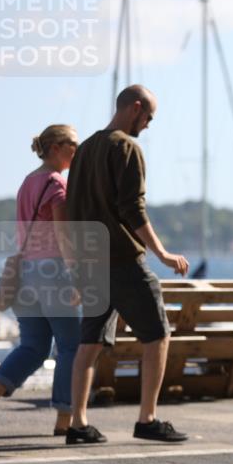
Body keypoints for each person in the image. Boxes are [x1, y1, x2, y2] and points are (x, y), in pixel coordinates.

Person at [65, 84, 189, 444]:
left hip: (90, 261)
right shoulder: (126, 147)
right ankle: (147, 419)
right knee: (158, 334)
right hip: (121, 259)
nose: (149, 125)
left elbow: (74, 210)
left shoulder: (85, 148)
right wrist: (162, 253)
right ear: (136, 108)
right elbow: (131, 209)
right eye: (149, 116)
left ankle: (78, 423)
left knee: (90, 343)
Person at [0, 125, 82, 438]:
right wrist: (76, 276)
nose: (79, 149)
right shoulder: (56, 183)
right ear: (57, 147)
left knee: (34, 346)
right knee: (71, 347)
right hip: (53, 272)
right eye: (74, 144)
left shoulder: (28, 182)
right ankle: (65, 420)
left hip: (26, 274)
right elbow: (63, 235)